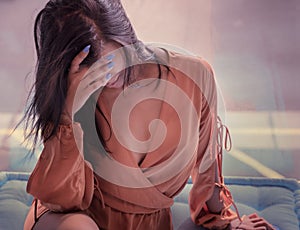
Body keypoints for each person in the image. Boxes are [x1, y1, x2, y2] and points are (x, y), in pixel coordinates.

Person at [23, 0, 276, 229]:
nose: (109, 79)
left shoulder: (193, 75)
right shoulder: (74, 93)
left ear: (127, 39)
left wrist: (227, 223)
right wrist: (67, 112)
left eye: (113, 62)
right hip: (72, 219)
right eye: (96, 72)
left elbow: (208, 171)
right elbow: (60, 200)